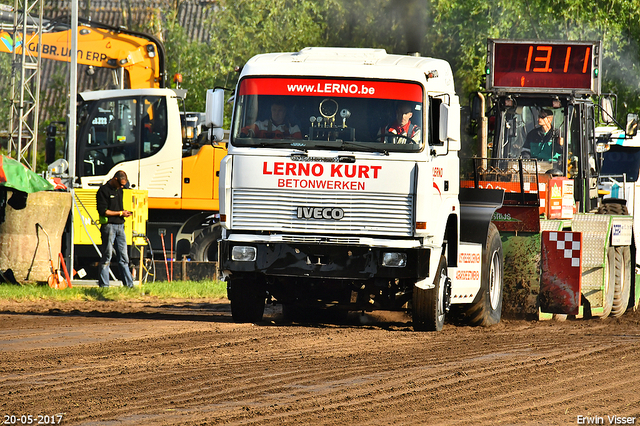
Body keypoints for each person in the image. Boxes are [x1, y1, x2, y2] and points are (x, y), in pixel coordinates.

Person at [96, 170, 134, 288]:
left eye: (124, 184)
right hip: (109, 227)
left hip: (120, 227)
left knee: (124, 258)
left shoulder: (120, 190)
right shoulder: (103, 190)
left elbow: (118, 209)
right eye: (121, 184)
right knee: (107, 257)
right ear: (115, 179)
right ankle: (104, 286)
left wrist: (123, 213)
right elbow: (103, 211)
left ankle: (129, 286)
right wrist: (120, 213)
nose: (122, 187)